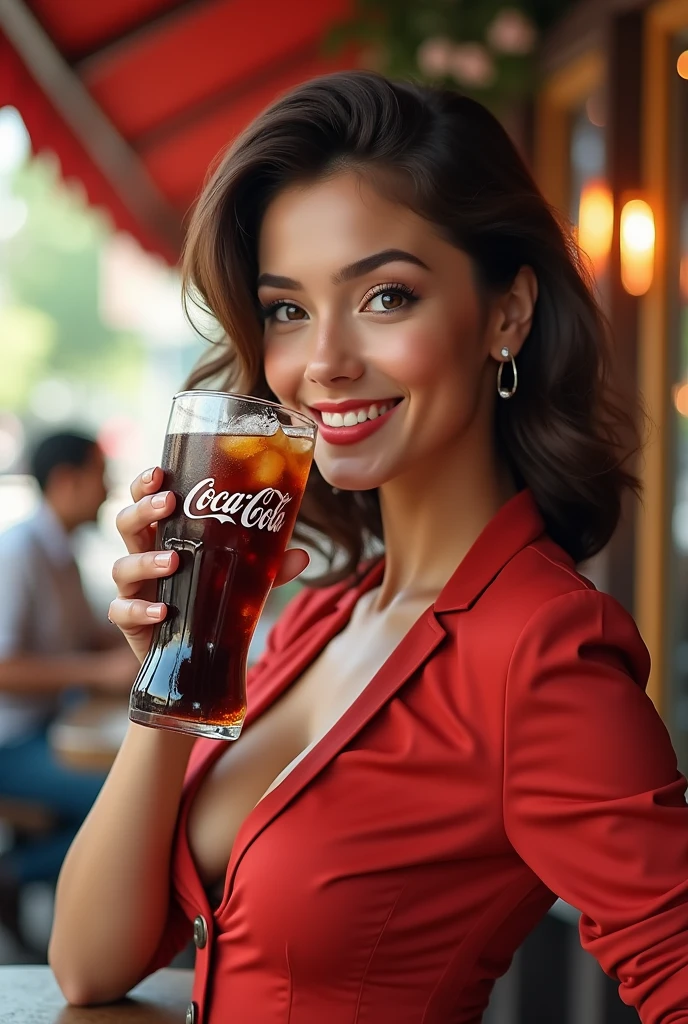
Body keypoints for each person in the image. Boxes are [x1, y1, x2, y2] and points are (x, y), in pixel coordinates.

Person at [48, 72, 688, 1023]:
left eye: (386, 296)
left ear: (506, 313)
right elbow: (90, 966)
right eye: (287, 309)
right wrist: (173, 663)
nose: (324, 362)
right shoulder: (321, 613)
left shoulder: (540, 654)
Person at [0, 431, 137, 938]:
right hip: (11, 744)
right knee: (123, 799)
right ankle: (15, 874)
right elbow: (4, 667)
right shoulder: (18, 552)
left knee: (131, 787)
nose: (105, 491)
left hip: (50, 729)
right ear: (66, 481)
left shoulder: (60, 550)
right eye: (99, 477)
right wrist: (99, 673)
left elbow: (88, 635)